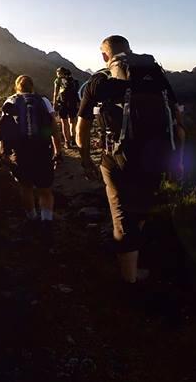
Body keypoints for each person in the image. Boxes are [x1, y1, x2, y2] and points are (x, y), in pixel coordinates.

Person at [75, 35, 185, 284]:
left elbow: (81, 129)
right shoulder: (155, 75)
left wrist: (85, 158)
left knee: (122, 217)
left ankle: (129, 281)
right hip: (157, 158)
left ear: (105, 56)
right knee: (142, 206)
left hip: (118, 161)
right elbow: (179, 124)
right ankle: (136, 255)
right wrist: (177, 161)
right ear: (129, 50)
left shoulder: (98, 81)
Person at [0, 75, 62, 224]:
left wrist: (1, 154)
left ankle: (32, 218)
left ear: (16, 87)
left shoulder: (10, 101)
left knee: (26, 188)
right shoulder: (43, 101)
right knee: (45, 190)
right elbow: (53, 128)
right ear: (32, 86)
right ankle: (46, 221)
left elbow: (3, 130)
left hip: (20, 152)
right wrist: (58, 151)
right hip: (42, 150)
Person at [52, 67, 81, 149]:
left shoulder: (58, 80)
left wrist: (55, 103)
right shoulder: (73, 80)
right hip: (73, 102)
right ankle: (73, 138)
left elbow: (55, 92)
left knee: (64, 122)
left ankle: (67, 142)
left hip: (63, 103)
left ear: (59, 73)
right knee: (72, 121)